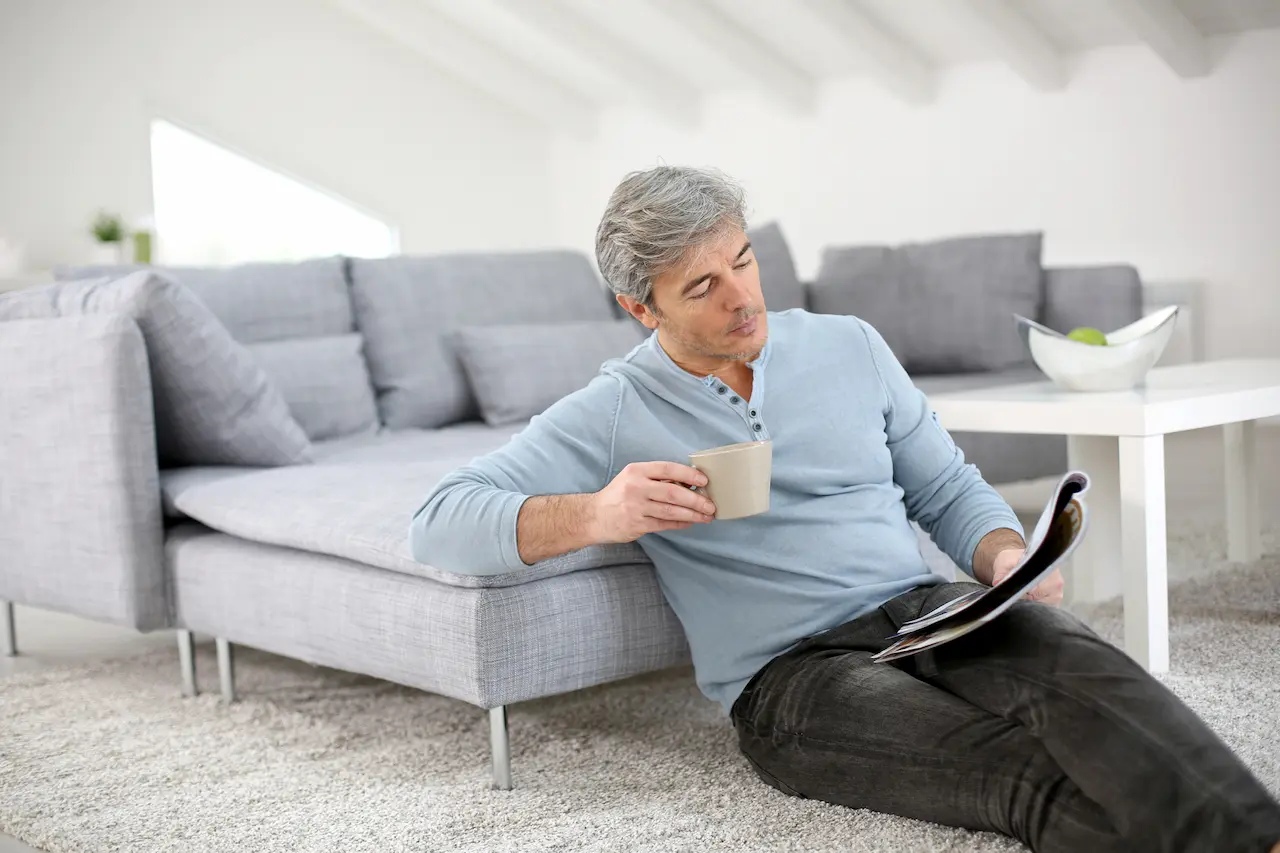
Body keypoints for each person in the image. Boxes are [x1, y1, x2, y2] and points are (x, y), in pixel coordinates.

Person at [410, 166, 1280, 852]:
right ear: (641, 308)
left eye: (743, 260)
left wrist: (1003, 556)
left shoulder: (849, 345)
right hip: (791, 678)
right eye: (702, 285)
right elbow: (441, 520)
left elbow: (944, 486)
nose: (741, 295)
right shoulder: (610, 410)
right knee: (1015, 771)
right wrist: (598, 512)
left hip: (926, 608)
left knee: (1084, 671)